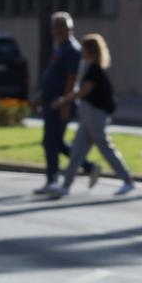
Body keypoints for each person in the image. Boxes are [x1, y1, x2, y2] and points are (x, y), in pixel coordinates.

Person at [42, 32, 134, 197]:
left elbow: (83, 92)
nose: (81, 51)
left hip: (95, 116)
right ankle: (65, 186)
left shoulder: (94, 70)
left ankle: (127, 181)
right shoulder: (89, 67)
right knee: (77, 151)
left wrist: (62, 101)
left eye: (83, 48)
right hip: (87, 116)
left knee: (105, 149)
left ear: (89, 50)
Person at [34, 11, 90, 194]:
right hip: (51, 102)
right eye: (55, 26)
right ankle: (88, 167)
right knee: (56, 142)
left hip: (60, 104)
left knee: (51, 142)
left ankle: (53, 179)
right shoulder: (60, 49)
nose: (58, 30)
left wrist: (65, 104)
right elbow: (53, 77)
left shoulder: (72, 50)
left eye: (61, 26)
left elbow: (71, 79)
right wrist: (41, 97)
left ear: (70, 29)